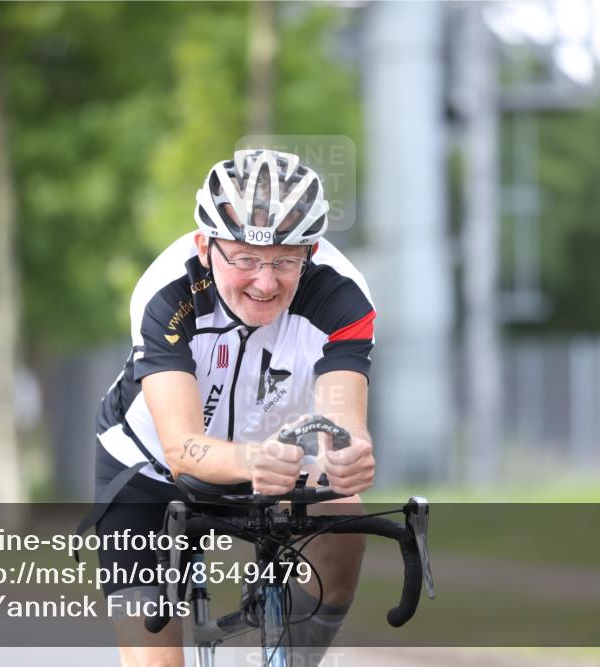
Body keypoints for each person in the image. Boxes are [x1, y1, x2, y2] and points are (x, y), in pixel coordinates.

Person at [89, 149, 376, 667]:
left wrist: (347, 454)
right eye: (245, 259)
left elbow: (341, 422)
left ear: (310, 250)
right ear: (206, 246)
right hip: (149, 468)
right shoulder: (167, 292)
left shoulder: (342, 295)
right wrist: (252, 460)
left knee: (343, 520)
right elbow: (182, 450)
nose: (265, 282)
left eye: (285, 261)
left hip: (274, 462)